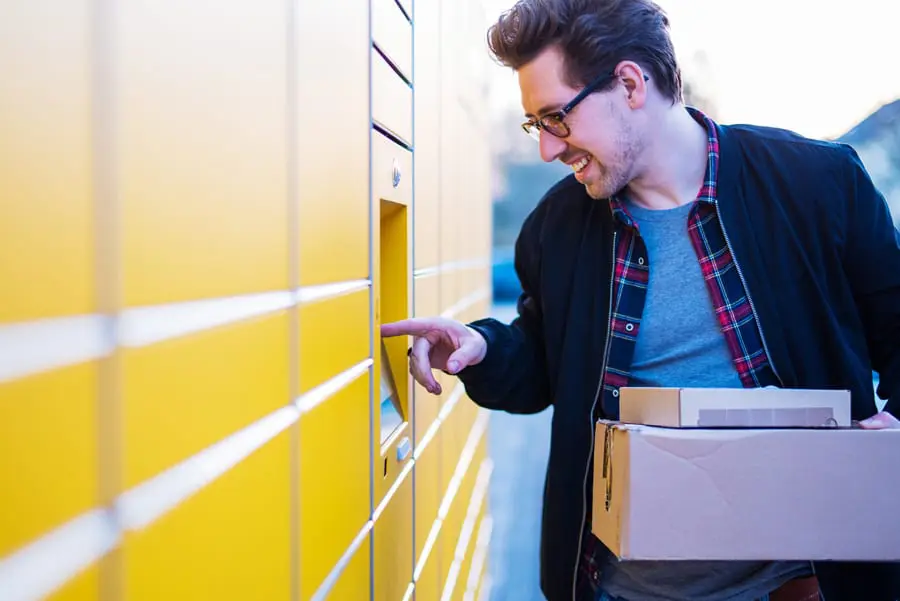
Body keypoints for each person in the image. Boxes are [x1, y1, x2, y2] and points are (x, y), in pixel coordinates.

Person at [381, 0, 900, 599]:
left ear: (629, 83)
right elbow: (542, 368)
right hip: (629, 588)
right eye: (536, 125)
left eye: (555, 118)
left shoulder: (817, 184)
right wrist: (483, 349)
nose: (548, 149)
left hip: (808, 582)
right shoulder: (554, 229)